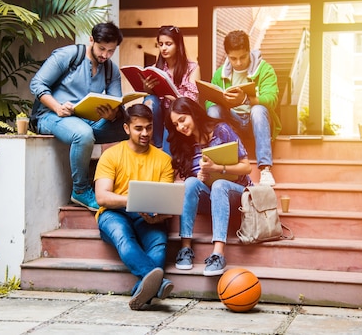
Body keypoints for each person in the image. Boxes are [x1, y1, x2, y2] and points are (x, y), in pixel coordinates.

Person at [29, 22, 128, 212]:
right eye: (101, 49)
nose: (105, 55)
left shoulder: (111, 69)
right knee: (83, 134)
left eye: (110, 51)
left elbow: (117, 103)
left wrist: (112, 115)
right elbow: (37, 84)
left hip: (87, 119)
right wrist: (57, 107)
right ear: (91, 40)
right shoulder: (68, 55)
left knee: (130, 126)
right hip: (51, 116)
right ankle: (80, 190)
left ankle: (119, 185)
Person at [94, 104, 175, 310]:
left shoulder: (163, 159)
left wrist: (159, 217)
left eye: (149, 127)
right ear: (126, 128)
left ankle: (141, 290)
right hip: (114, 213)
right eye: (139, 128)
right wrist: (131, 201)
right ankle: (160, 283)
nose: (145, 133)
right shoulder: (111, 155)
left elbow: (164, 200)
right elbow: (102, 197)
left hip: (147, 215)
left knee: (159, 245)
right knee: (123, 236)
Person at [165, 97, 252, 276]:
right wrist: (201, 177)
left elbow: (247, 167)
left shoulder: (221, 130)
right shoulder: (185, 144)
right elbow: (194, 185)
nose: (180, 127)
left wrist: (217, 168)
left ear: (193, 113)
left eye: (182, 120)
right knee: (190, 182)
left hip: (237, 195)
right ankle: (186, 249)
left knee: (220, 185)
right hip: (211, 198)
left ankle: (218, 254)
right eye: (176, 124)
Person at [205, 30, 281, 187]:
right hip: (234, 123)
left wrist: (246, 99)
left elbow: (272, 99)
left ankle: (265, 168)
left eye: (242, 57)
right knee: (213, 111)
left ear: (249, 51)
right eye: (233, 58)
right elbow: (208, 102)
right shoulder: (220, 73)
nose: (238, 62)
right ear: (227, 55)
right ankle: (218, 165)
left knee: (258, 109)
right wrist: (221, 100)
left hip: (257, 121)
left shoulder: (265, 69)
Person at [143, 25, 200, 152]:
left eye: (168, 44)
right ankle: (156, 144)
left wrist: (175, 98)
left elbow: (193, 100)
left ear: (178, 45)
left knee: (172, 114)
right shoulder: (156, 68)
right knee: (150, 99)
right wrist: (148, 89)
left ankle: (163, 151)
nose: (163, 48)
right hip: (160, 115)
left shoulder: (192, 68)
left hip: (178, 117)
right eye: (160, 44)